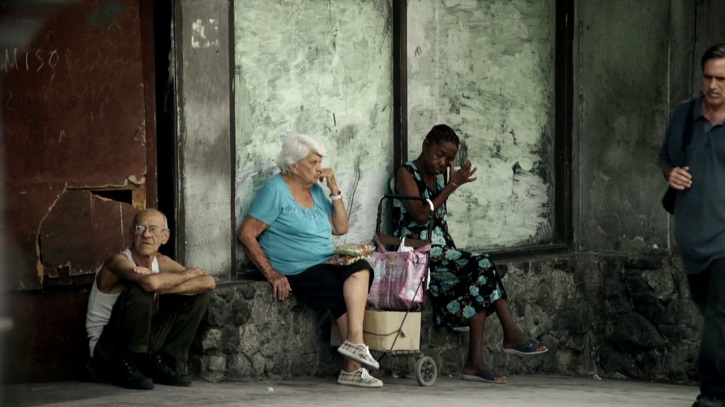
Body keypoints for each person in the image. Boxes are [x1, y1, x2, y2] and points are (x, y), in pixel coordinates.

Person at [393, 124, 548, 384]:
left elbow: (439, 220)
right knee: (482, 263)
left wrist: (448, 183)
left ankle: (474, 363)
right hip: (415, 249)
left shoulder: (442, 177)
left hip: (442, 252)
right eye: (439, 154)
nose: (443, 163)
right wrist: (452, 186)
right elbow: (420, 215)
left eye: (449, 159)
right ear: (425, 145)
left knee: (479, 279)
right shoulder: (405, 173)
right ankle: (510, 333)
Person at [238, 134, 383, 388]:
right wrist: (271, 274)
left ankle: (355, 344)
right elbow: (247, 233)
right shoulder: (276, 190)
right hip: (296, 268)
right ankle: (352, 366)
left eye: (320, 162)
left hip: (325, 260)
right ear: (294, 165)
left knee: (361, 267)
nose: (319, 169)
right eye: (313, 163)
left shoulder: (315, 189)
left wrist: (334, 189)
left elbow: (340, 227)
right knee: (334, 289)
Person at [659, 43, 725, 407]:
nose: (713, 85)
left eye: (721, 78)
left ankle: (713, 395)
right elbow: (666, 159)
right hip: (693, 239)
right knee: (715, 317)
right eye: (708, 77)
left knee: (719, 315)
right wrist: (673, 174)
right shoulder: (685, 116)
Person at [85, 208, 216, 390]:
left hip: (143, 341)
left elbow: (208, 282)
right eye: (140, 228)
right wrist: (176, 278)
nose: (146, 235)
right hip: (107, 352)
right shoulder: (117, 261)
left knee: (198, 295)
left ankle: (159, 360)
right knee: (141, 289)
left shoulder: (160, 261)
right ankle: (128, 364)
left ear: (165, 237)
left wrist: (171, 281)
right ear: (131, 235)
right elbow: (150, 284)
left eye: (153, 229)